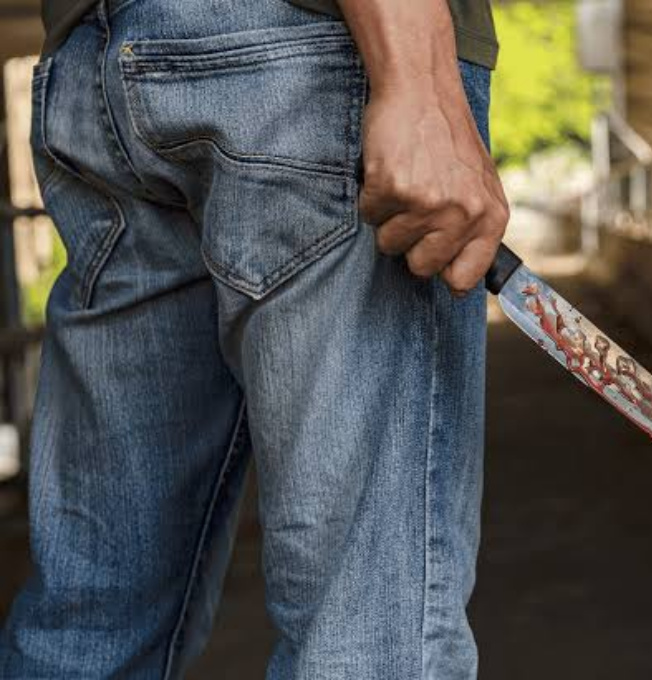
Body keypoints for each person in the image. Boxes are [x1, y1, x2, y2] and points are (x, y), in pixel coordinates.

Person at [0, 0, 507, 676]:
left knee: (93, 622)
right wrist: (414, 76)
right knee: (368, 628)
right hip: (306, 55)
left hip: (98, 60)